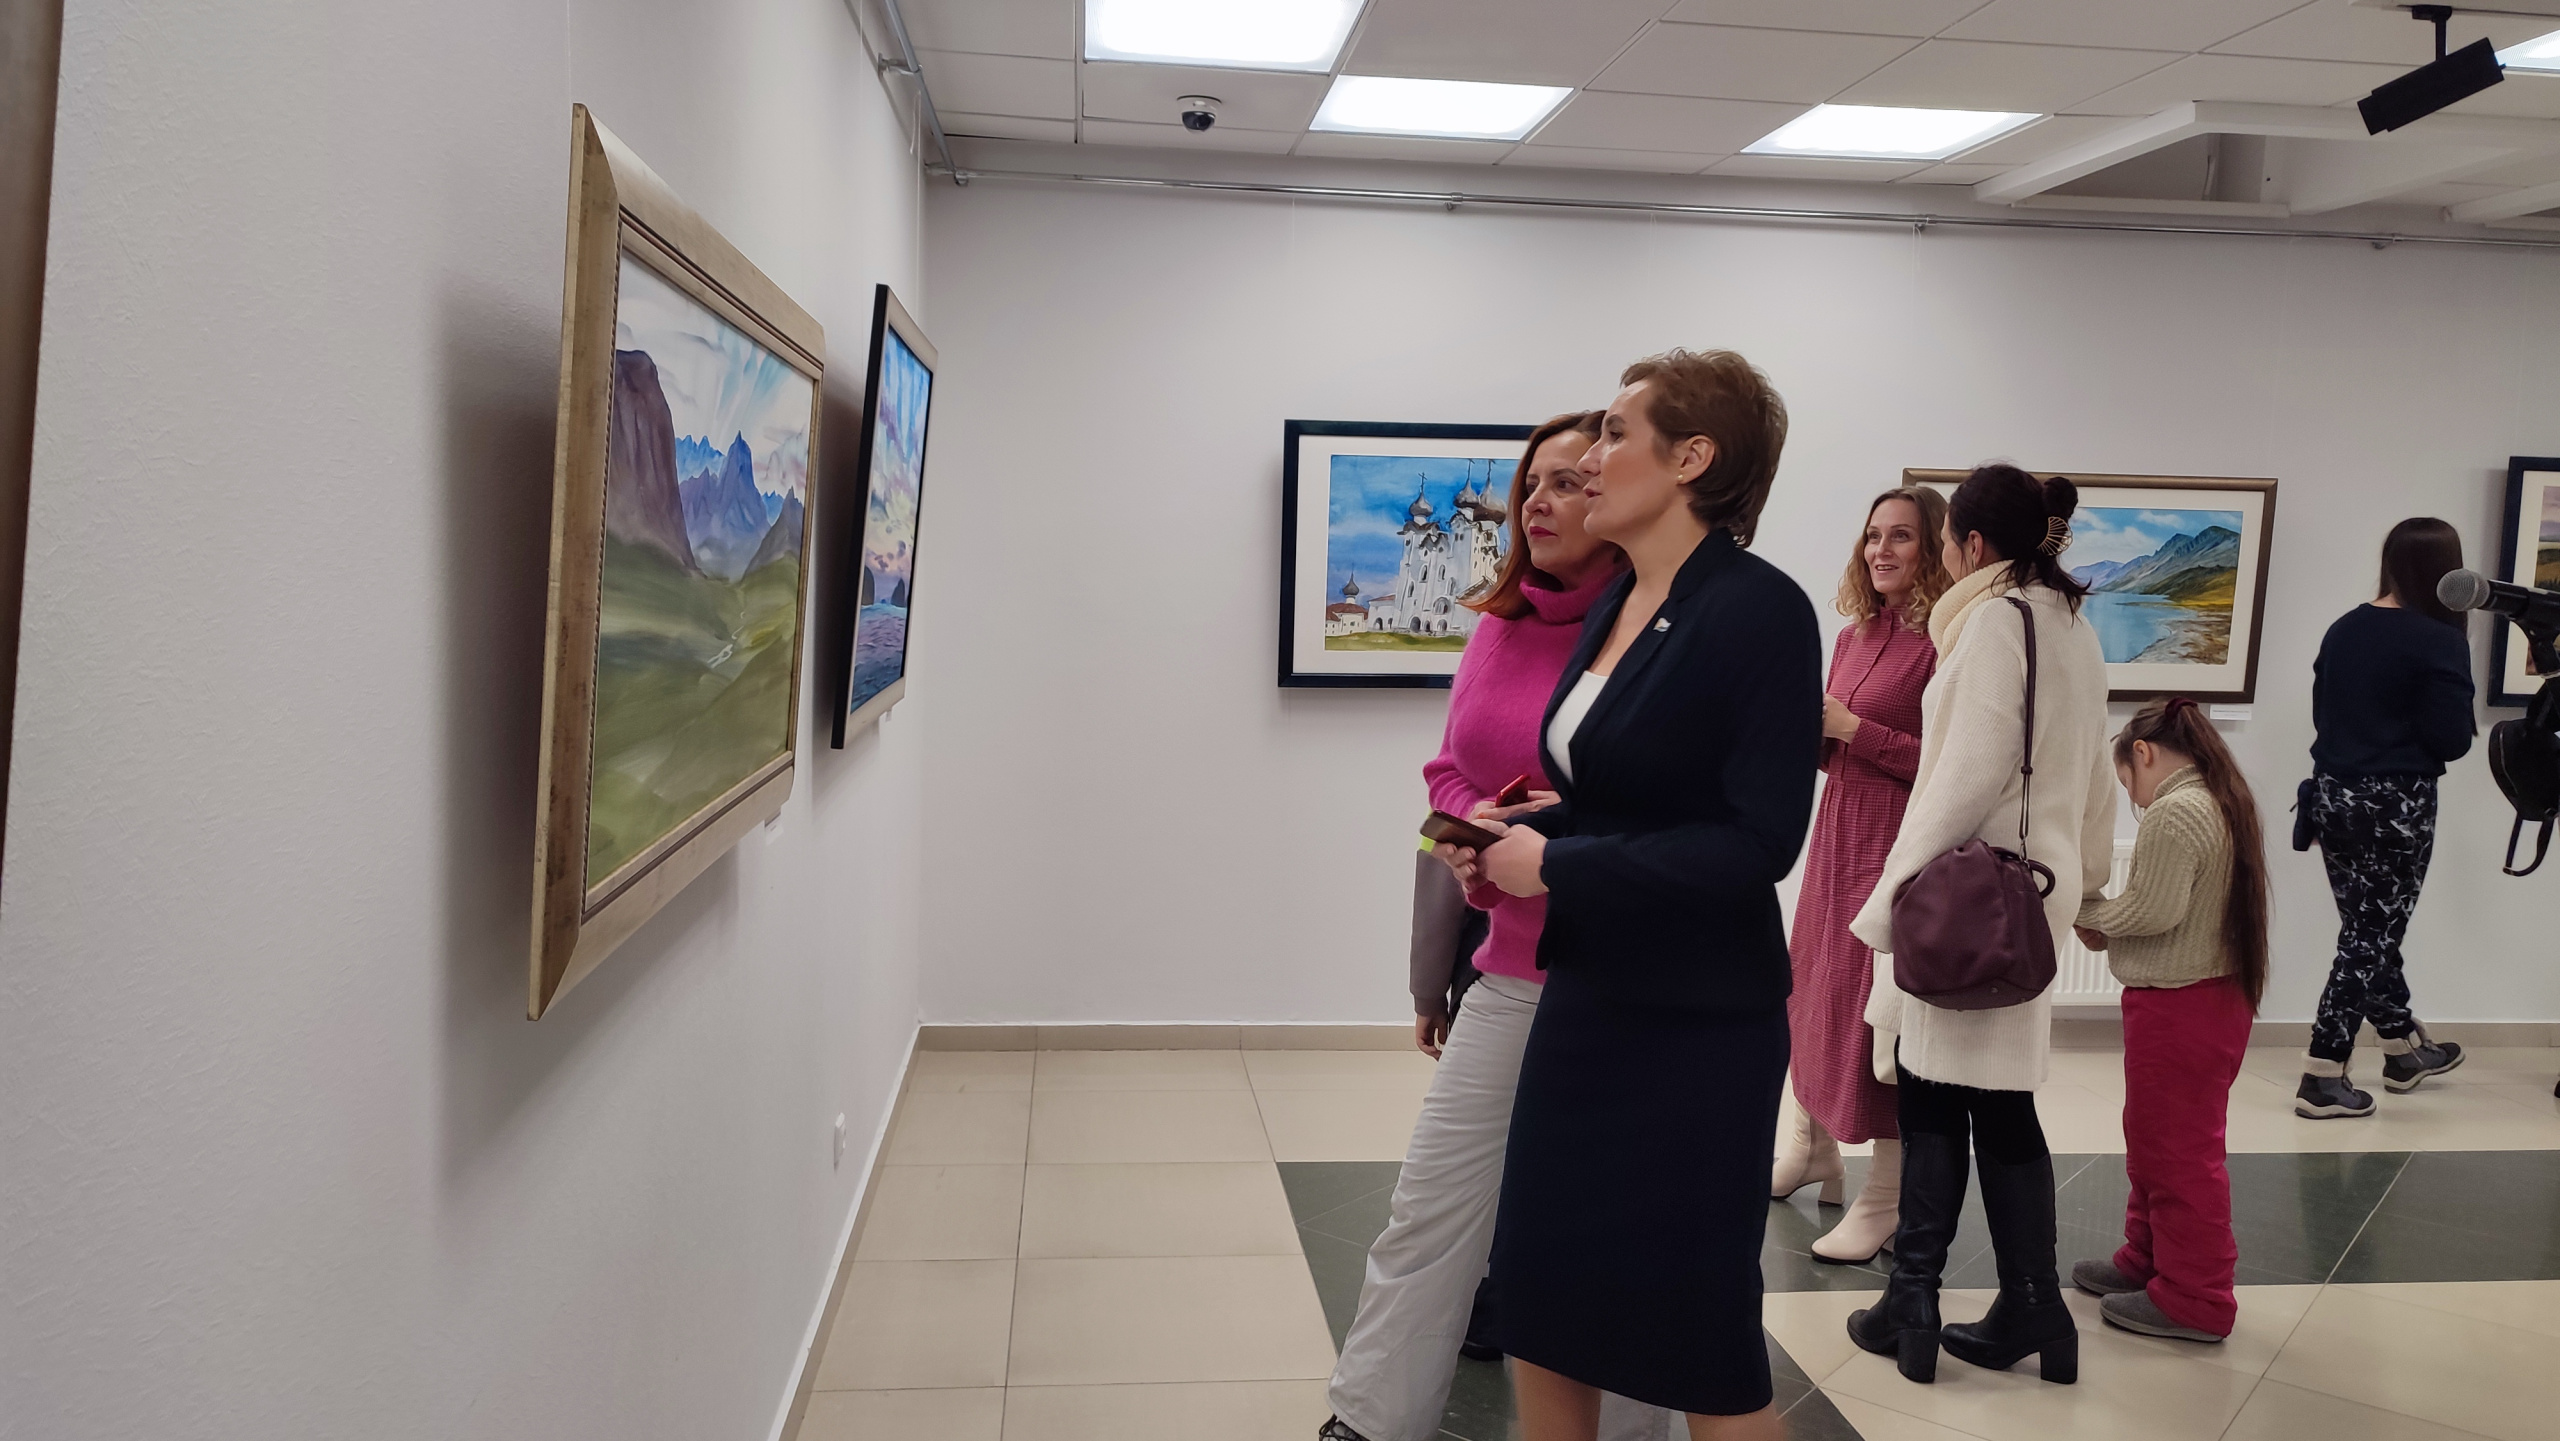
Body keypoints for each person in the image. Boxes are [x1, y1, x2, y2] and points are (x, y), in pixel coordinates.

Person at [1459, 349, 1818, 1441]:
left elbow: (1759, 839)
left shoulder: (1760, 610)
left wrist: (1558, 865)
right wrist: (1532, 829)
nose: (1588, 459)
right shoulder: (1622, 596)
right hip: (1591, 999)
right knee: (1542, 1297)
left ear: (1692, 457)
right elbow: (1627, 793)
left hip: (1696, 1029)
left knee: (1698, 1338)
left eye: (1616, 434)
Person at [1321, 412, 1670, 1441]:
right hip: (1510, 962)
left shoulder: (1659, 631)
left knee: (1616, 1229)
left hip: (1626, 975)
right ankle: (1369, 1418)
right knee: (1431, 1204)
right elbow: (1448, 762)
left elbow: (1687, 806)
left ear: (1618, 494)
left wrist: (1559, 830)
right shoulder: (1499, 623)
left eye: (1568, 481)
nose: (1539, 503)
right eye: (1530, 486)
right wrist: (1471, 819)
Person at [1845, 464, 2114, 1387]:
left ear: (1970, 543)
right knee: (2000, 1100)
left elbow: (1961, 778)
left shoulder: (1997, 622)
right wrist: (2090, 882)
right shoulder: (2071, 622)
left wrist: (1889, 900)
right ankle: (2032, 1304)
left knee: (1931, 1094)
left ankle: (1913, 1299)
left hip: (1969, 894)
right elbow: (2098, 770)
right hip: (2031, 893)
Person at [1773, 485, 1952, 1266]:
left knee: (1873, 1016)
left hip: (1895, 844)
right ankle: (1812, 1147)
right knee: (1811, 988)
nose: (1882, 549)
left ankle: (1886, 1195)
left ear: (1933, 546)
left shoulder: (1944, 641)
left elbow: (1950, 762)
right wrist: (1807, 730)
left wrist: (1854, 728)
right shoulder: (1852, 636)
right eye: (1874, 535)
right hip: (1837, 835)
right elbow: (1837, 748)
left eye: (1901, 536)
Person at [2070, 697, 2269, 1344]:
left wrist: (2082, 911)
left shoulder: (2177, 810)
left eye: (2127, 781)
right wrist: (2105, 922)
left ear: (2144, 752)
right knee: (2159, 1139)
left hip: (2182, 1004)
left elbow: (2152, 910)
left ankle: (2196, 1297)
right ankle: (2148, 1258)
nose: (2133, 797)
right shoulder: (2218, 797)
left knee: (2179, 1152)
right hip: (2207, 1001)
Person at [2293, 518, 2474, 1119]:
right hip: (2397, 803)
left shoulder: (2345, 627)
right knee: (2370, 936)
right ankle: (2323, 1073)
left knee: (2367, 930)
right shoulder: (2440, 639)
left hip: (2332, 794)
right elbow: (2452, 741)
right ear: (2447, 572)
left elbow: (2323, 714)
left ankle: (2401, 1048)